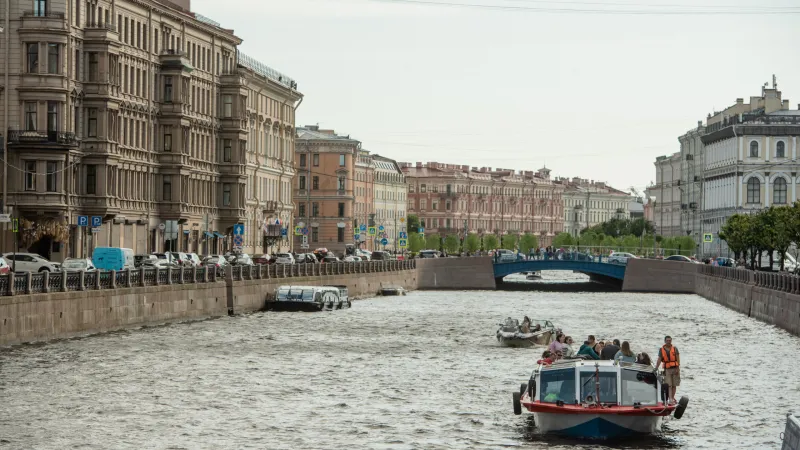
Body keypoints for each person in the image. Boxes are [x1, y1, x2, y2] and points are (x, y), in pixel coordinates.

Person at [655, 335, 681, 405]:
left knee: (674, 384)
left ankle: (672, 397)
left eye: (670, 340)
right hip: (667, 369)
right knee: (669, 385)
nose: (669, 342)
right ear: (665, 341)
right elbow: (659, 359)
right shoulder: (661, 350)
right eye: (667, 341)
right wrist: (656, 368)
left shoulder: (675, 349)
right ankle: (670, 399)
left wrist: (678, 369)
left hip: (675, 368)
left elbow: (678, 359)